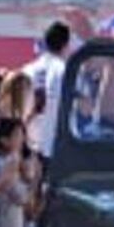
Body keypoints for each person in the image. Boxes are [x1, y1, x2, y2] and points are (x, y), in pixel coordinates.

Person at [28, 21, 71, 165]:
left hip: (27, 143)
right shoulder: (65, 71)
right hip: (53, 145)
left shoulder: (28, 70)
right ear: (67, 44)